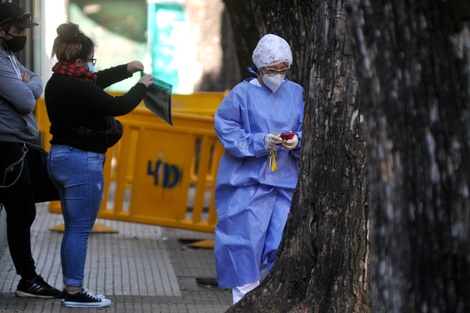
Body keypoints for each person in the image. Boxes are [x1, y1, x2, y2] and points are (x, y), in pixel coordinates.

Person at [44, 22, 152, 308]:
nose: (93, 66)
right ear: (78, 61)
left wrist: (126, 68)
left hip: (60, 158)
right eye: (91, 60)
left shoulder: (58, 80)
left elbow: (94, 81)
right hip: (82, 162)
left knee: (73, 228)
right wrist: (142, 85)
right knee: (79, 230)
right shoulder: (76, 85)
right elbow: (118, 106)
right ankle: (75, 292)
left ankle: (71, 287)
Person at [213, 34, 304, 304]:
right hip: (246, 183)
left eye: (282, 69)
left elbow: (311, 127)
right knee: (244, 247)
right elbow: (228, 131)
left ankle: (267, 303)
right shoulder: (241, 94)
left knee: (278, 245)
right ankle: (243, 304)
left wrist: (298, 140)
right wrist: (260, 141)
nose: (278, 75)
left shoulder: (297, 93)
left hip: (285, 183)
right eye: (271, 70)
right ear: (259, 67)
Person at [0, 2, 62, 299]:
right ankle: (28, 279)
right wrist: (28, 87)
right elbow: (26, 102)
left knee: (24, 207)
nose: (22, 35)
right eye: (17, 30)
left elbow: (38, 81)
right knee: (21, 211)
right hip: (6, 147)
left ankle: (28, 278)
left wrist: (30, 84)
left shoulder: (9, 57)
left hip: (19, 145)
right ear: (1, 31)